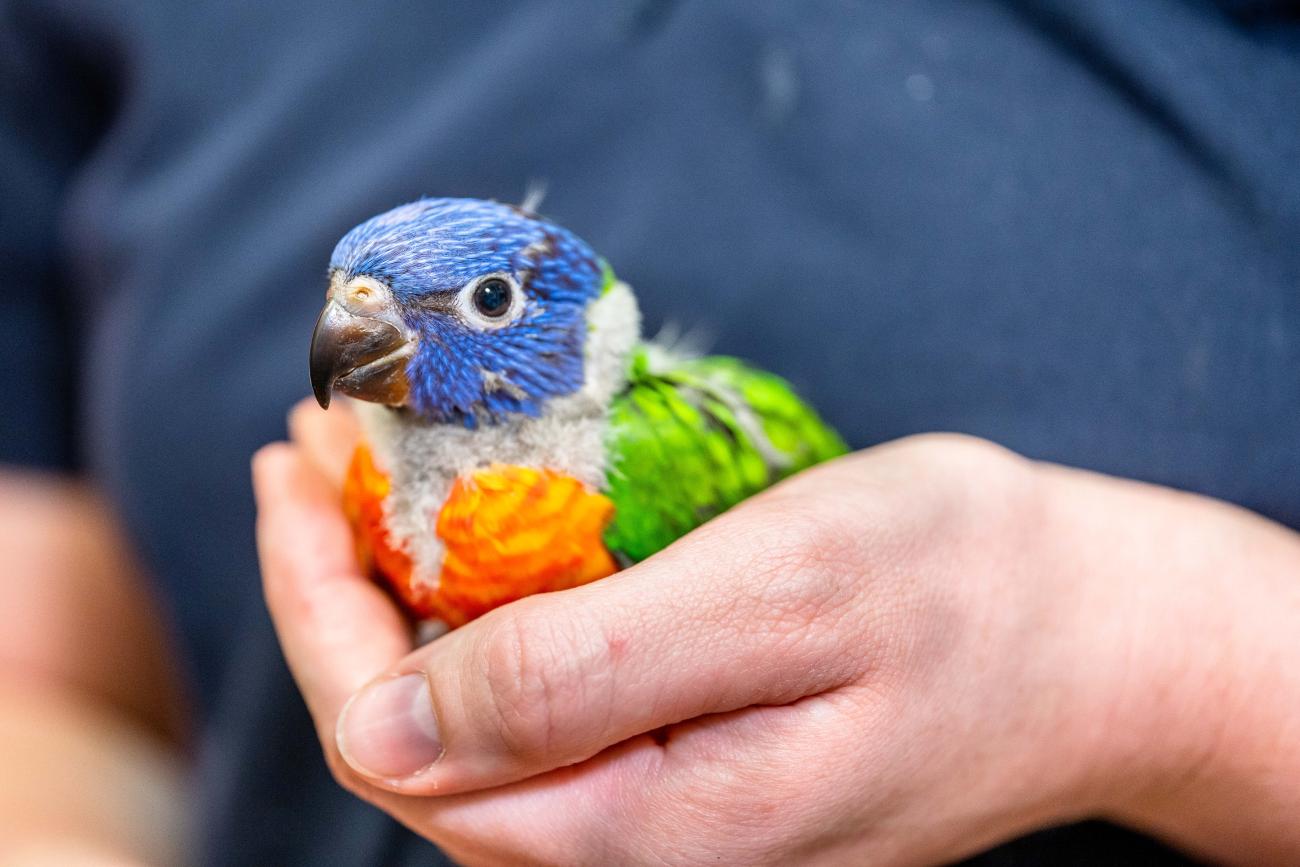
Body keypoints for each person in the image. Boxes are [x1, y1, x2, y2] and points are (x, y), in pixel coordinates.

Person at [2, 1, 1297, 864]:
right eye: (360, 309)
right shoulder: (373, 481)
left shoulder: (639, 464)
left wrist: (1149, 663)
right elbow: (47, 682)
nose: (363, 335)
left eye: (486, 306)